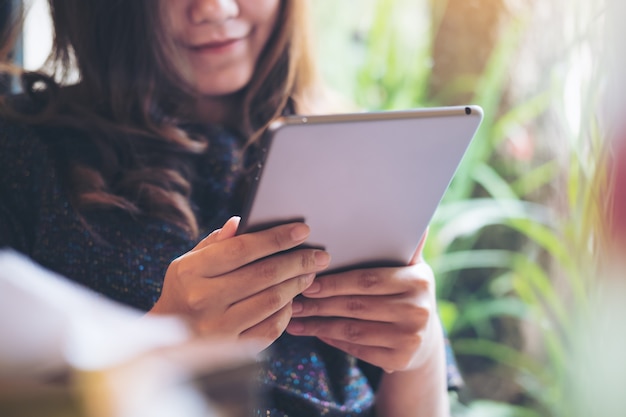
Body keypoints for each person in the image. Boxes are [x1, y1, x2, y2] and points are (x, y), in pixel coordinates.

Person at [0, 1, 462, 415]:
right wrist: (165, 340)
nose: (215, 8)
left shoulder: (350, 142)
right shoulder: (24, 158)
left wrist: (419, 356)